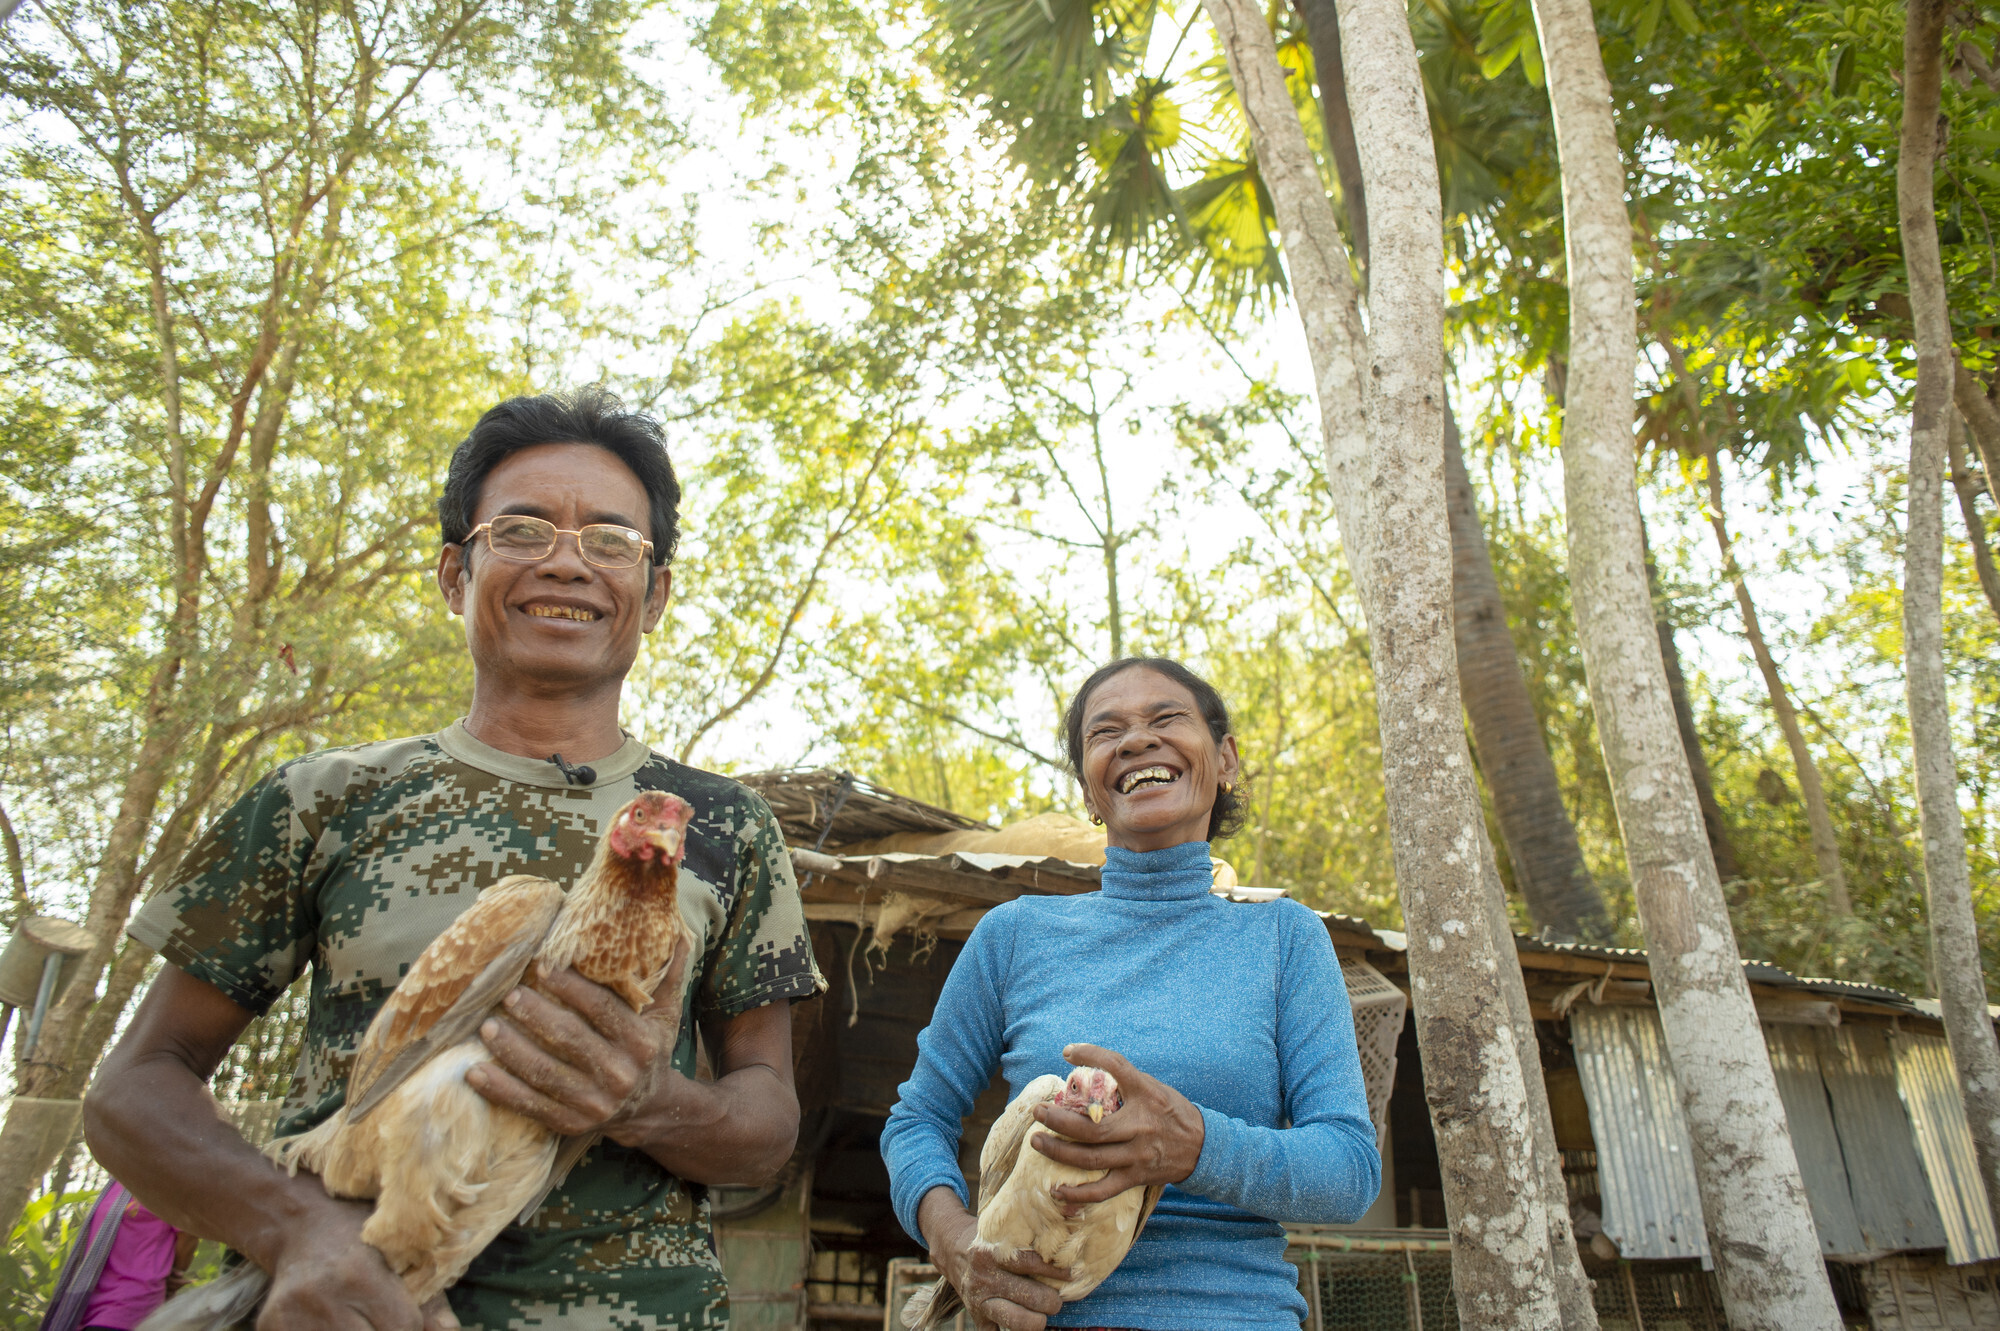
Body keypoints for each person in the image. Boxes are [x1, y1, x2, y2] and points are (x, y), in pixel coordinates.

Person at [84, 388, 823, 1331]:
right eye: (521, 529)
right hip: (348, 1309)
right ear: (453, 573)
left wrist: (646, 1100)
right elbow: (135, 1083)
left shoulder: (721, 822)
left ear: (656, 590)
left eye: (611, 540)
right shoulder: (323, 798)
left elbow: (767, 1125)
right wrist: (296, 1229)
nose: (567, 559)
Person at [880, 657, 1380, 1331]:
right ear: (1089, 791)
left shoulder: (1286, 939)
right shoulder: (1014, 936)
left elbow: (1348, 1169)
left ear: (1225, 757)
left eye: (1167, 718)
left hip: (1234, 1315)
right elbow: (916, 1122)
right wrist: (955, 1243)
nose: (1137, 740)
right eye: (1105, 730)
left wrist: (1195, 1145)